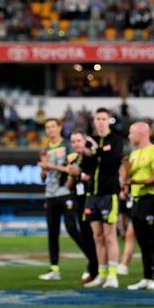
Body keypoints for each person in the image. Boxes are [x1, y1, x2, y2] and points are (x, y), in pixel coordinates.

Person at [37, 118, 86, 281]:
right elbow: (43, 177)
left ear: (59, 128)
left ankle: (93, 260)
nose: (49, 130)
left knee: (72, 228)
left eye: (52, 126)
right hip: (50, 194)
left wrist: (50, 166)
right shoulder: (45, 149)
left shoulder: (67, 146)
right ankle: (54, 268)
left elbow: (71, 169)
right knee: (52, 232)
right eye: (47, 127)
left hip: (65, 192)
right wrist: (44, 169)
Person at [81, 107, 124, 288]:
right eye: (97, 119)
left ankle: (113, 275)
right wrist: (86, 154)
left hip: (109, 193)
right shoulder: (91, 141)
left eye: (103, 119)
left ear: (109, 121)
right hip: (92, 194)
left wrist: (97, 151)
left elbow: (113, 162)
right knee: (97, 236)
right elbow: (87, 168)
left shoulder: (116, 140)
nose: (100, 122)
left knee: (110, 236)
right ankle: (102, 272)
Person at [123, 122, 154, 291]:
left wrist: (136, 180)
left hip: (152, 199)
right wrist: (126, 169)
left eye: (131, 133)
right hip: (137, 199)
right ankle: (147, 276)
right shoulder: (134, 153)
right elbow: (128, 176)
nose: (128, 136)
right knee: (142, 240)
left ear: (141, 133)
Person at [65, 129, 99, 283]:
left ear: (85, 141)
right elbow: (69, 185)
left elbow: (92, 177)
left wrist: (79, 173)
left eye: (78, 141)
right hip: (79, 202)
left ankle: (97, 270)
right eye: (73, 142)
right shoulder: (73, 160)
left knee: (94, 237)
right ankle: (93, 268)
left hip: (92, 200)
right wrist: (72, 175)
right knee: (86, 237)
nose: (76, 144)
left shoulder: (91, 158)